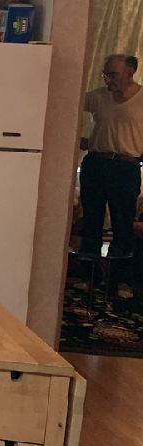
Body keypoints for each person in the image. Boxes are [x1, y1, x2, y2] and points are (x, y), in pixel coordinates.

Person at [79, 54, 143, 299]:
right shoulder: (98, 97)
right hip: (97, 164)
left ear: (130, 72)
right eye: (105, 74)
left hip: (126, 168)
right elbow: (67, 105)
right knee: (91, 220)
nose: (108, 79)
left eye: (113, 74)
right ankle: (88, 276)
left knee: (122, 224)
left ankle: (120, 281)